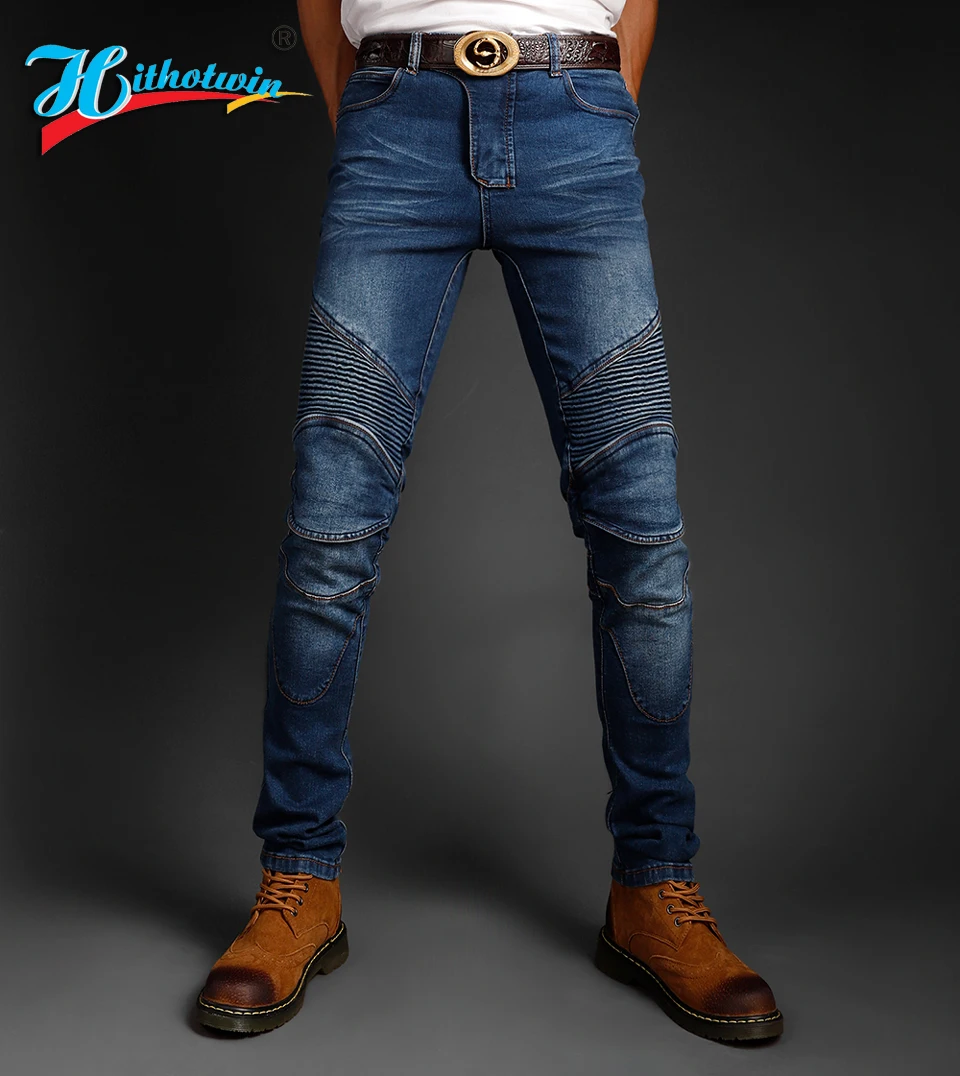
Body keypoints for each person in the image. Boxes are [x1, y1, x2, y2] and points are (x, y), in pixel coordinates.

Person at [195, 0, 782, 1043]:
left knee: (641, 538)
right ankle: (298, 879)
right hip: (394, 121)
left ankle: (654, 883)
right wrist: (371, 112)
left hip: (577, 122)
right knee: (330, 532)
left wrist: (597, 103)